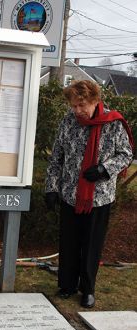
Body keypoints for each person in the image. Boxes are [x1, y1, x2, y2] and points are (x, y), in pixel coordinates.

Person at [45, 80, 134, 308]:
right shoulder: (68, 121)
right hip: (69, 194)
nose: (77, 111)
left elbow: (126, 154)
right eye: (74, 105)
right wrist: (51, 188)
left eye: (81, 105)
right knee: (69, 243)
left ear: (95, 100)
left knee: (91, 244)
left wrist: (104, 169)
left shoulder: (113, 123)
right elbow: (57, 157)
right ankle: (66, 285)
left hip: (99, 196)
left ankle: (88, 289)